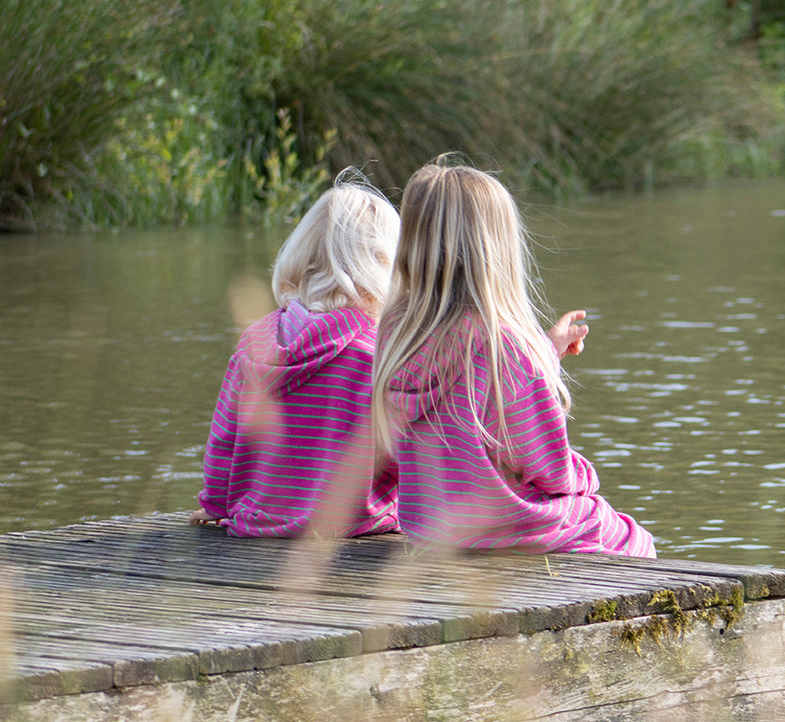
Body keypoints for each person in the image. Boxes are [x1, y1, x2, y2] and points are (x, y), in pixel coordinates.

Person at [371, 160, 655, 557]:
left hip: (433, 532)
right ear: (497, 248)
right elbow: (550, 470)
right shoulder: (504, 346)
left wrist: (544, 354)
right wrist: (586, 476)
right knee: (629, 536)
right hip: (510, 530)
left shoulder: (394, 336)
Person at [193, 170, 402, 537]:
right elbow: (403, 457)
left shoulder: (255, 340)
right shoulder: (376, 352)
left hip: (258, 522)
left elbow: (224, 440)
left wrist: (215, 505)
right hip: (352, 526)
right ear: (386, 264)